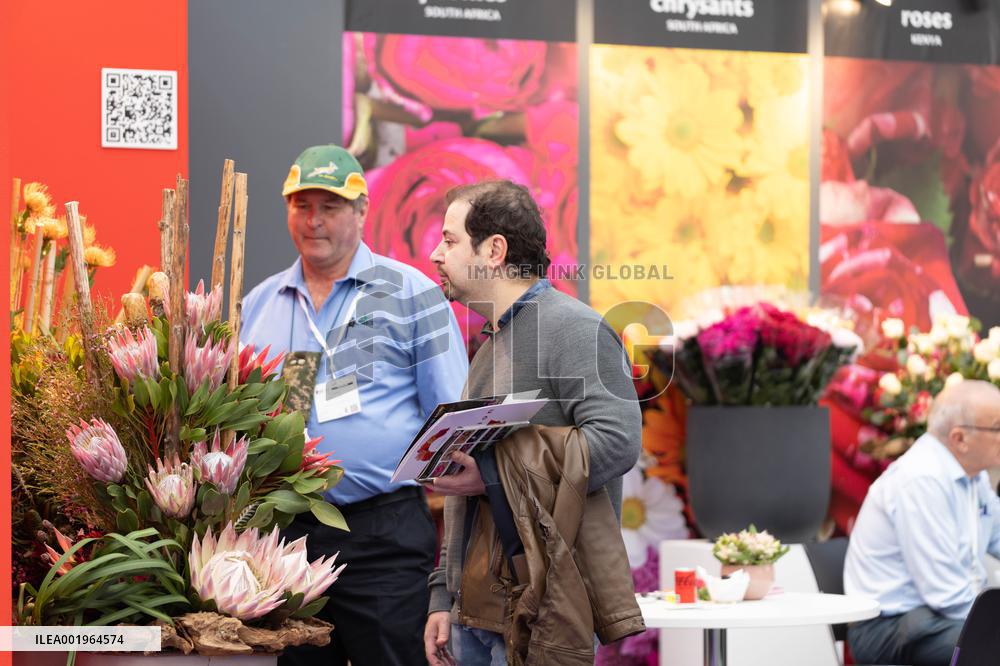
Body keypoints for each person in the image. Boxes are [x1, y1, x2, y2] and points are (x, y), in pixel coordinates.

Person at [240, 144, 469, 666]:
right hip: (284, 539)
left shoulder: (413, 295)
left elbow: (452, 420)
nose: (314, 220)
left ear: (362, 210)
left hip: (383, 533)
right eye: (302, 206)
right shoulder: (257, 305)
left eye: (330, 206)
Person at [423, 180, 642, 665]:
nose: (436, 254)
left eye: (450, 240)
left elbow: (619, 441)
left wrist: (493, 473)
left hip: (542, 615)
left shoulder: (576, 329)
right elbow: (467, 496)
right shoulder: (490, 347)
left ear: (494, 251)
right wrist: (443, 596)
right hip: (474, 614)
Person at [844, 380, 1000, 666]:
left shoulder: (972, 474)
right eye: (997, 428)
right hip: (889, 627)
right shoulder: (921, 479)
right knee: (990, 645)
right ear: (959, 438)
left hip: (936, 618)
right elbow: (947, 595)